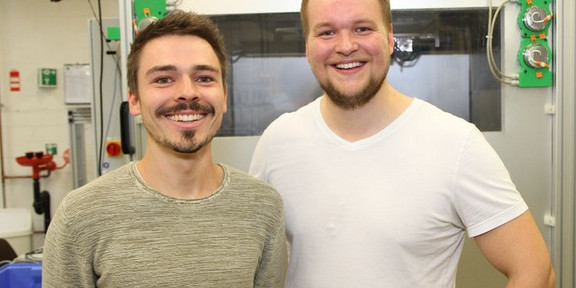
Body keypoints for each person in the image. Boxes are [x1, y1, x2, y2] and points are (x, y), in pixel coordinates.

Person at [249, 0, 555, 287]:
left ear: (390, 37)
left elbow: (535, 271)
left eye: (362, 29)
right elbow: (250, 261)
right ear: (307, 46)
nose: (345, 47)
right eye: (327, 32)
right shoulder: (278, 141)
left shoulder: (455, 143)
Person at [43, 11, 287, 288]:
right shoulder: (81, 217)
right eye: (163, 79)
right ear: (134, 100)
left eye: (204, 78)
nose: (187, 92)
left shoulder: (263, 207)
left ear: (225, 97)